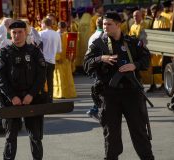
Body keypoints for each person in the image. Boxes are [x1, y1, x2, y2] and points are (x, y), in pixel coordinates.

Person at [83, 12, 154, 160]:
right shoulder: (97, 45)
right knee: (111, 134)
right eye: (103, 24)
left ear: (118, 24)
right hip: (109, 94)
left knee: (139, 132)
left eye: (109, 24)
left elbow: (147, 59)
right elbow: (86, 65)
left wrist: (135, 65)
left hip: (131, 93)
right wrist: (100, 58)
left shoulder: (132, 42)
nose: (105, 27)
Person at [0, 20, 46, 160]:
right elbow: (0, 78)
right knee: (10, 137)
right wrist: (12, 97)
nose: (17, 35)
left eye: (20, 32)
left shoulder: (34, 51)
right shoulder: (5, 53)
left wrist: (31, 94)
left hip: (32, 99)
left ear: (26, 33)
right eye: (14, 33)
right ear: (10, 34)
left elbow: (42, 76)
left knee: (35, 136)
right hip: (11, 101)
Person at [39, 18, 62, 103]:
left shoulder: (40, 33)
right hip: (52, 60)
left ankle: (42, 98)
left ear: (44, 24)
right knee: (50, 80)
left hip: (42, 60)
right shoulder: (57, 34)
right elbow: (59, 50)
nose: (41, 26)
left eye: (41, 24)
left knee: (41, 80)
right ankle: (50, 98)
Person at [85, 16, 104, 118]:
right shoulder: (102, 36)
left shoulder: (93, 36)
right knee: (100, 89)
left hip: (94, 64)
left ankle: (95, 108)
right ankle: (95, 109)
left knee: (98, 88)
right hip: (101, 65)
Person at [53, 21, 77, 99]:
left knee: (60, 76)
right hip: (66, 58)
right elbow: (72, 46)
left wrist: (57, 57)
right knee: (66, 76)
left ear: (58, 27)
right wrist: (71, 56)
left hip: (60, 58)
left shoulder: (55, 35)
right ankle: (68, 93)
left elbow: (55, 48)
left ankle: (59, 93)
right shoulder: (68, 35)